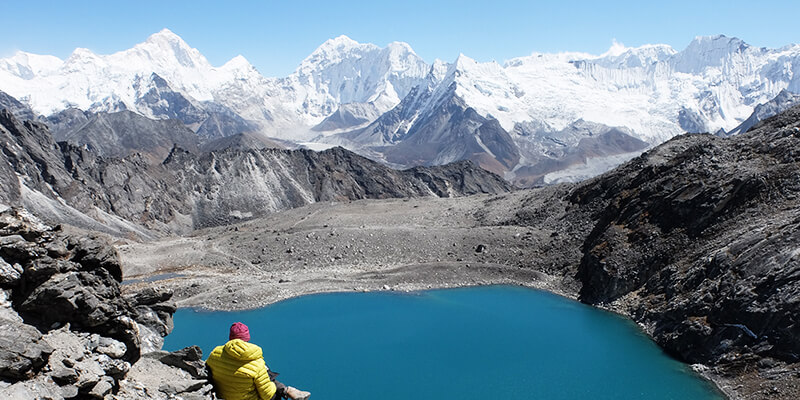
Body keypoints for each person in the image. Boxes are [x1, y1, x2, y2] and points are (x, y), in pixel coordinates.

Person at [206, 322, 311, 400]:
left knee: (263, 374)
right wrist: (272, 386)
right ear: (247, 338)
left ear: (230, 337)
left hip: (223, 396)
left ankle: (287, 390)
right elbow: (267, 395)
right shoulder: (256, 362)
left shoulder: (215, 353)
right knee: (271, 387)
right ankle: (287, 391)